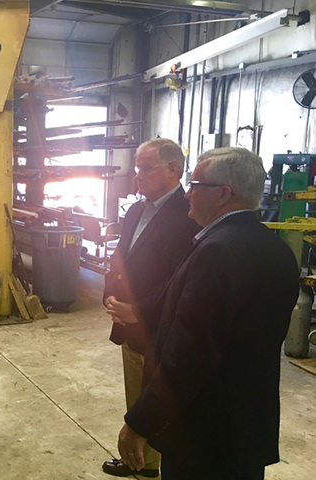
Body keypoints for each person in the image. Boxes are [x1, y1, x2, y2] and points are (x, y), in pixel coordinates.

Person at [116, 147, 299, 480]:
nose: (187, 193)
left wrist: (140, 422)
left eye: (195, 184)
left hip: (204, 433)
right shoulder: (276, 248)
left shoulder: (218, 251)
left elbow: (189, 355)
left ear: (223, 194)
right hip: (245, 424)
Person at [102, 138, 201, 478]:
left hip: (161, 326)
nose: (138, 175)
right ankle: (142, 459)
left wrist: (139, 310)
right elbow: (121, 255)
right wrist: (110, 293)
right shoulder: (136, 209)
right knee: (136, 389)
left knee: (160, 392)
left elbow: (179, 277)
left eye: (146, 168)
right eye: (136, 168)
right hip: (130, 324)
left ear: (173, 170)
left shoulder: (189, 214)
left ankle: (154, 459)